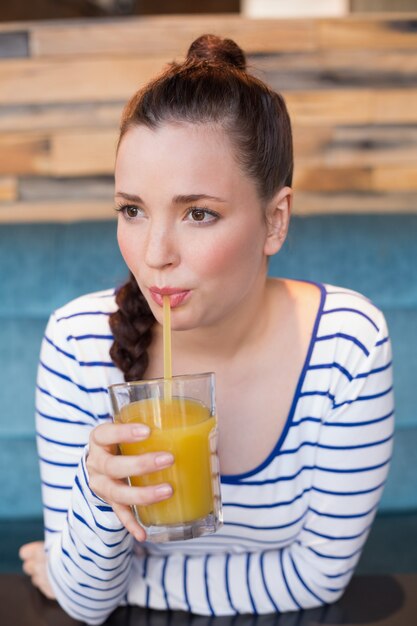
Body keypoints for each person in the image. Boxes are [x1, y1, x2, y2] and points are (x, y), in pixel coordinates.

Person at [19, 34, 394, 624]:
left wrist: (135, 585)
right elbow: (87, 605)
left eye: (198, 213)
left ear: (275, 220)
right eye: (132, 210)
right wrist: (96, 495)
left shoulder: (347, 346)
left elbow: (319, 577)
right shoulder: (78, 344)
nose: (154, 253)